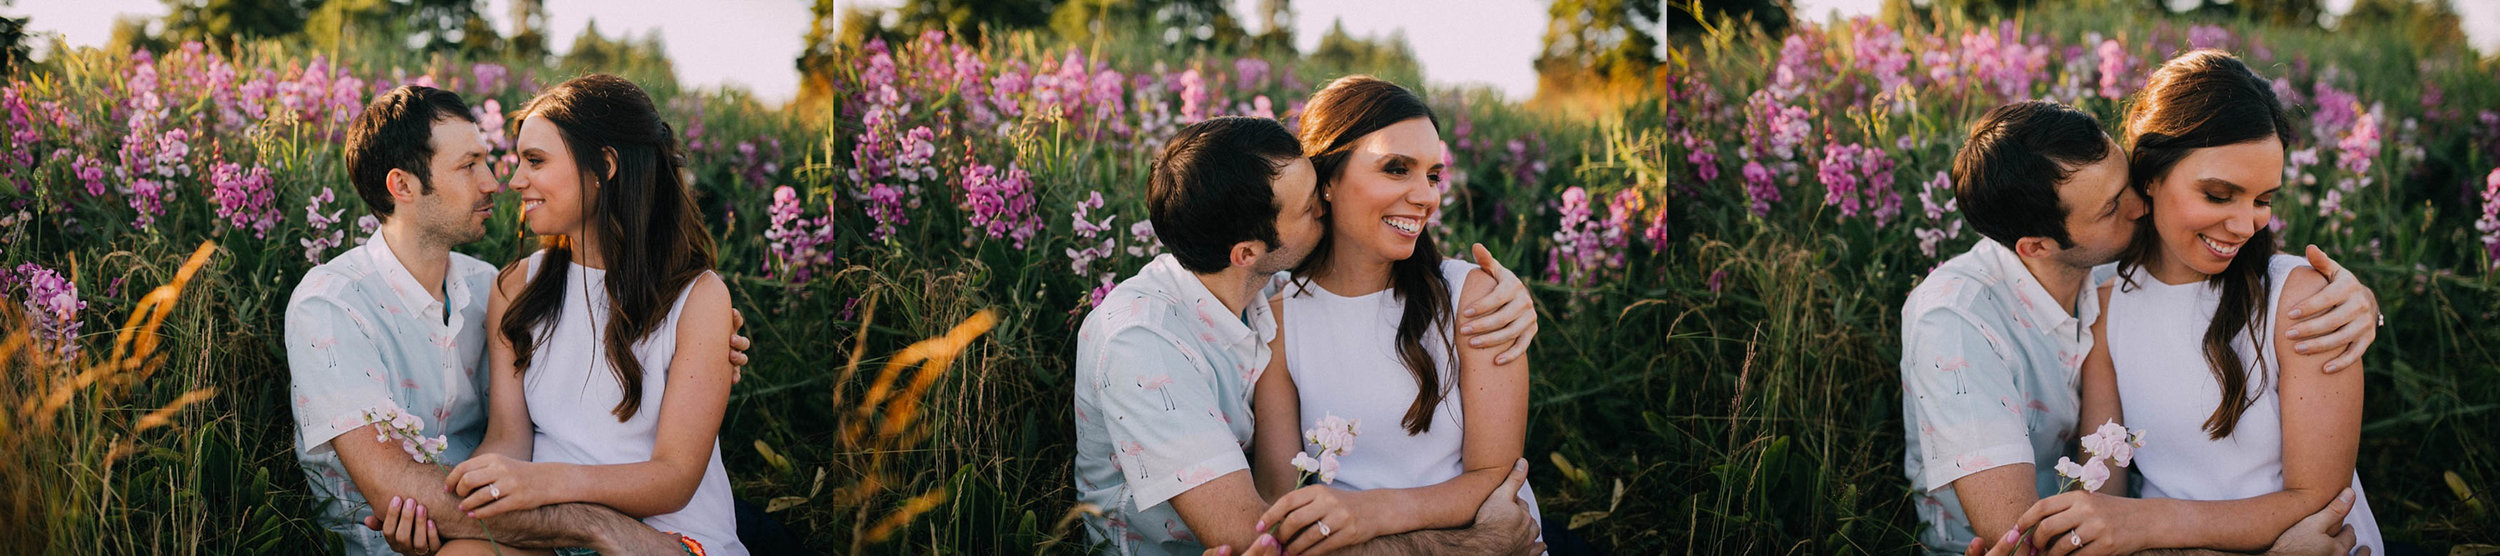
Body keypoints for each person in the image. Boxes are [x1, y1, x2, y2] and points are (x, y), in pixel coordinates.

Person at [1898, 98, 2384, 555]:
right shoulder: (1956, 323)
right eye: (2111, 207)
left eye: (2127, 180)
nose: (2139, 206)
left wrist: (2359, 302)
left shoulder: (2114, 267)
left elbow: (2239, 263)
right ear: (2037, 246)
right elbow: (2024, 543)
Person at [284, 84, 750, 555]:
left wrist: (713, 338)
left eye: (536, 161)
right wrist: (460, 506)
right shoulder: (500, 290)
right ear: (402, 185)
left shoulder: (487, 285)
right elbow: (505, 442)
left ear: (603, 169)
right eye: (469, 166)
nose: (501, 182)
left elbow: (672, 474)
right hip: (533, 526)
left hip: (654, 530)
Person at [1072, 116, 1543, 555]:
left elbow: (1365, 283)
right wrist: (1474, 547)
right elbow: (1257, 543)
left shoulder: (1255, 287)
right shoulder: (1143, 345)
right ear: (1248, 252)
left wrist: (1511, 295)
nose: (1324, 206)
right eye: (1308, 207)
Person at [1246, 76, 1541, 556]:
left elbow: (1497, 479)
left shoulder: (1473, 296)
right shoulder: (1280, 319)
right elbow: (1282, 497)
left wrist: (1371, 512)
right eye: (1396, 168)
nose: (1426, 197)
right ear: (1327, 181)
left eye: (1432, 174)